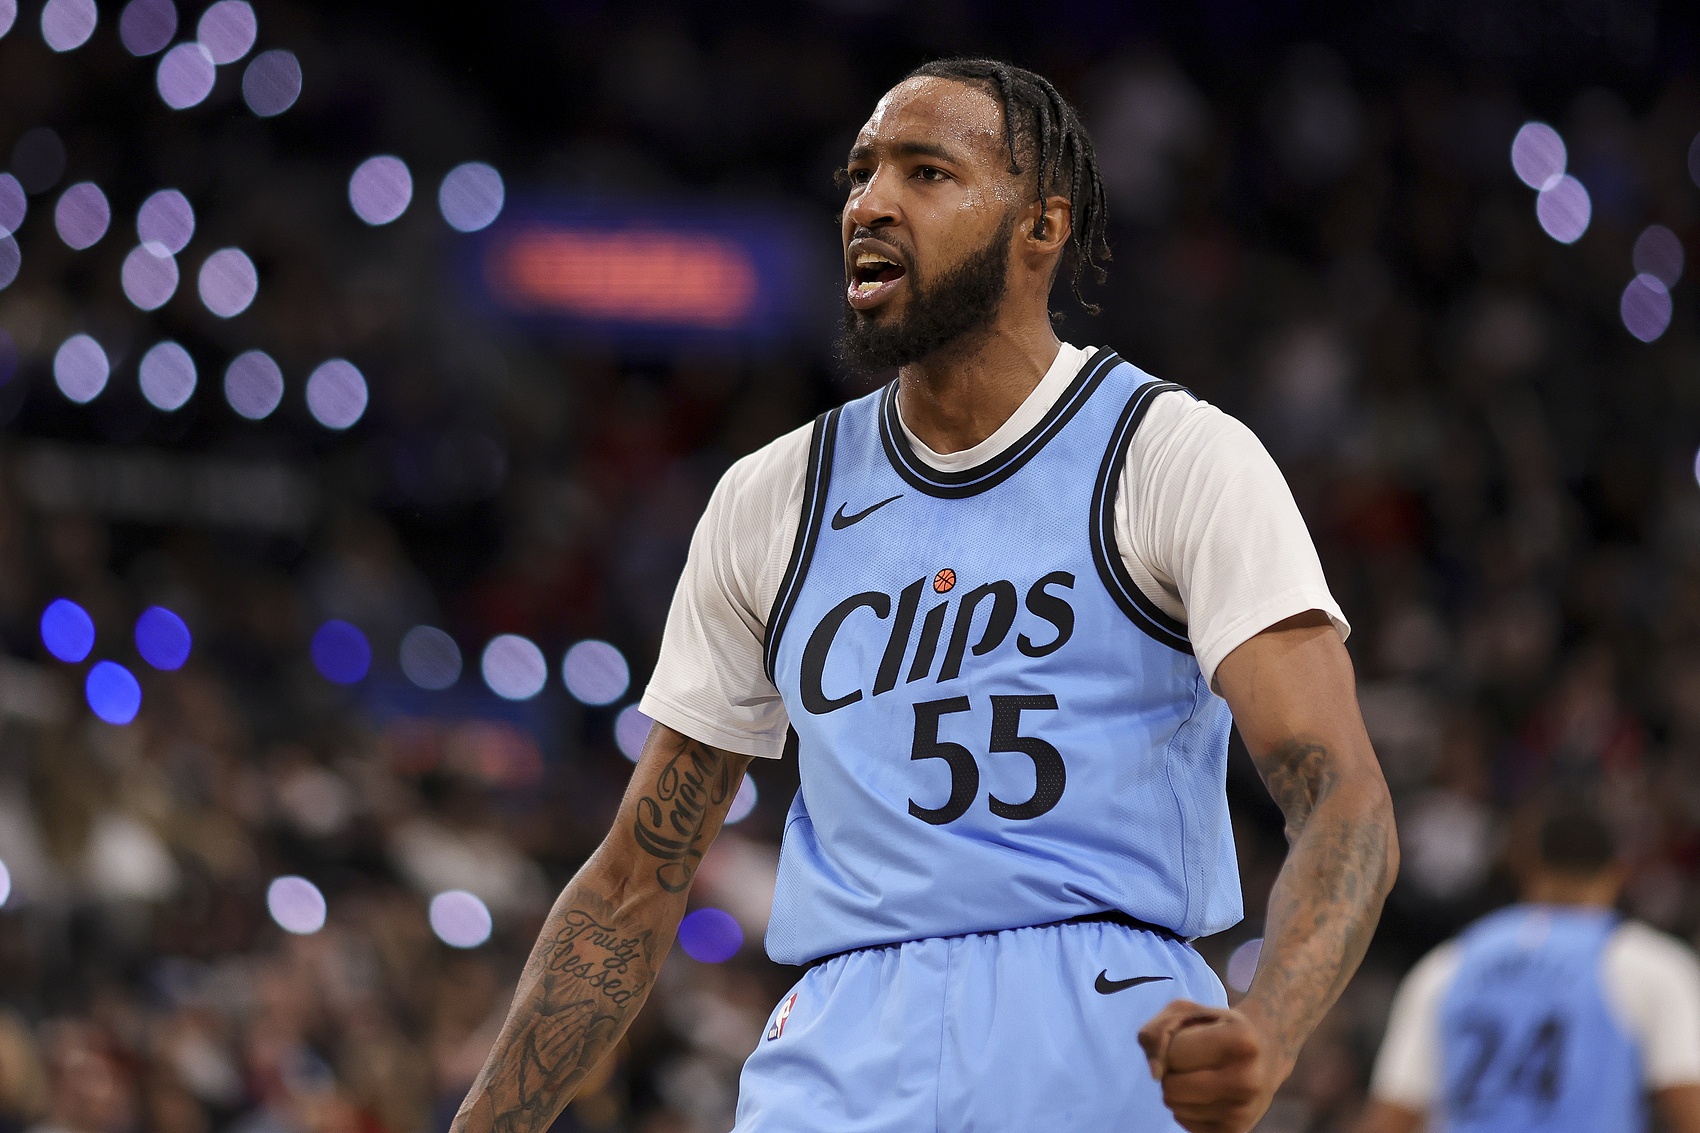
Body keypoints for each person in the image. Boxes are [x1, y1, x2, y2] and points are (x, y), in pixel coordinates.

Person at [450, 58, 1397, 1133]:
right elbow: (633, 881)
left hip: (1100, 1025)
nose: (870, 202)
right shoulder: (771, 498)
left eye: (926, 171)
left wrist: (1271, 1021)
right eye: (860, 173)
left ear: (1041, 226)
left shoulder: (1172, 455)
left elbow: (1340, 792)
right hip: (835, 1040)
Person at [1358, 803, 1700, 1133]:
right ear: (1619, 872)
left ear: (1526, 868)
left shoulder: (1449, 962)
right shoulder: (1650, 965)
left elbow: (1391, 1118)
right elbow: (1689, 1108)